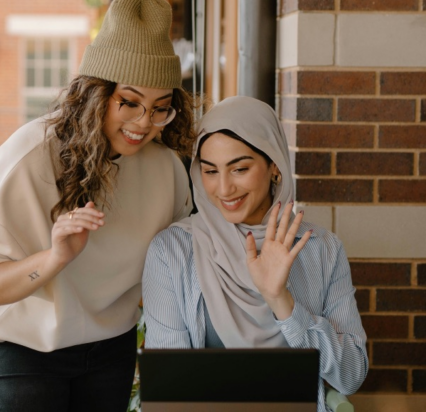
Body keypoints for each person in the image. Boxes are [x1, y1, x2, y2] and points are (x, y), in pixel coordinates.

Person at [0, 0, 197, 412]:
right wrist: (55, 258)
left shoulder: (165, 168)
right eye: (130, 102)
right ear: (96, 93)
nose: (145, 123)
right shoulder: (29, 157)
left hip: (110, 349)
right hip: (22, 349)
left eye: (161, 107)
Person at [142, 96, 368, 410]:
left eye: (239, 169)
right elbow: (169, 390)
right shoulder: (172, 252)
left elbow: (351, 376)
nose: (223, 189)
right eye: (210, 171)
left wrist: (281, 301)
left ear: (274, 164)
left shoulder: (322, 249)